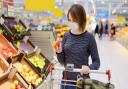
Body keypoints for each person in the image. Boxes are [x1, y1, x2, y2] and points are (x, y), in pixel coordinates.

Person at [54, 4, 100, 89]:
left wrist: (89, 68)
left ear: (81, 20)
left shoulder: (89, 37)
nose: (71, 23)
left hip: (81, 82)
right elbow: (63, 62)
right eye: (69, 20)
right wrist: (59, 52)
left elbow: (97, 62)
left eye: (74, 20)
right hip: (66, 81)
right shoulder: (66, 35)